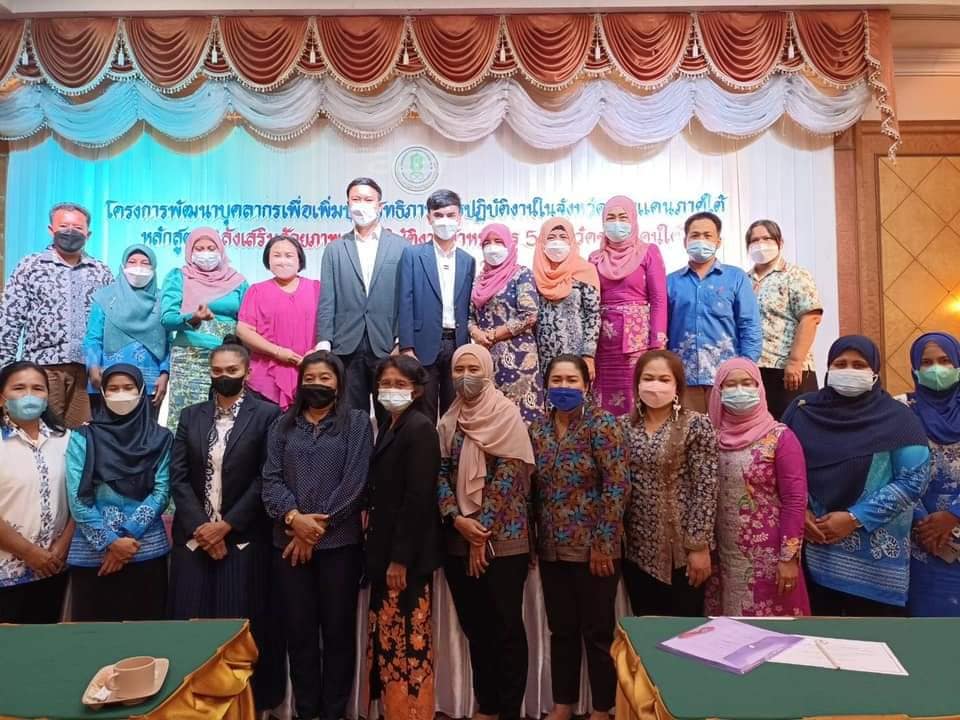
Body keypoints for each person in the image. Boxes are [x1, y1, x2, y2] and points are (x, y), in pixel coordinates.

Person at [168, 337, 285, 712]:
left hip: (244, 540)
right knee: (189, 628)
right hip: (194, 539)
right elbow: (178, 477)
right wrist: (203, 527)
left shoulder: (267, 415)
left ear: (247, 372)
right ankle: (187, 708)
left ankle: (244, 709)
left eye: (231, 370)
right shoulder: (191, 415)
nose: (224, 376)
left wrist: (227, 526)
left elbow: (266, 477)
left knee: (240, 631)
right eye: (217, 371)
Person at [783, 336, 929, 616]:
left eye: (859, 365)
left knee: (874, 639)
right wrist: (799, 511)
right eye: (840, 364)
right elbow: (780, 467)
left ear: (874, 371)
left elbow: (914, 480)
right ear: (828, 368)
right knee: (817, 638)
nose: (849, 370)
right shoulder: (803, 411)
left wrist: (854, 518)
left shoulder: (898, 418)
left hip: (874, 566)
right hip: (811, 552)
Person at [261, 351, 372, 720]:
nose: (317, 384)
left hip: (340, 546)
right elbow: (271, 480)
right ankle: (307, 711)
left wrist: (313, 531)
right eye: (310, 378)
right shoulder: (282, 425)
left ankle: (334, 711)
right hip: (288, 547)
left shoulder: (357, 423)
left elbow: (355, 484)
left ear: (338, 382)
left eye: (325, 378)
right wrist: (295, 520)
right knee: (300, 633)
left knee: (338, 634)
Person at [437, 344, 534, 720]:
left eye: (473, 368)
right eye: (458, 369)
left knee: (505, 625)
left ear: (488, 371)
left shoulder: (506, 414)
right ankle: (487, 705)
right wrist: (456, 518)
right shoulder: (450, 418)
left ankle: (509, 709)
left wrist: (481, 534)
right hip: (458, 537)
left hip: (504, 540)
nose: (465, 376)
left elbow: (509, 476)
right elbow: (440, 473)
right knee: (476, 627)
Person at [529, 354, 628, 720]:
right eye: (557, 380)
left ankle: (602, 708)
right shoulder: (538, 430)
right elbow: (532, 491)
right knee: (561, 631)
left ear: (587, 385)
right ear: (546, 384)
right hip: (552, 550)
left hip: (594, 551)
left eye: (572, 380)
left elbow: (617, 485)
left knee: (598, 632)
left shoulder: (603, 425)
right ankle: (562, 705)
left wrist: (604, 544)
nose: (564, 387)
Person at [365, 355, 442, 720]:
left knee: (409, 643)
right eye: (385, 384)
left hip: (406, 560)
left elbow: (418, 499)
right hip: (384, 552)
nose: (391, 391)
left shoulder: (420, 428)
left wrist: (400, 559)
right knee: (389, 639)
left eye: (400, 384)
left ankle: (413, 712)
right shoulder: (390, 424)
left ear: (417, 390)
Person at [65, 364, 173, 621]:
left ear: (142, 391)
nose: (121, 394)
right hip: (94, 556)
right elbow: (77, 497)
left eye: (128, 387)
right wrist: (110, 542)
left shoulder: (161, 438)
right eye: (113, 389)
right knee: (92, 635)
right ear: (102, 393)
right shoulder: (83, 436)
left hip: (145, 551)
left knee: (147, 634)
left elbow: (162, 491)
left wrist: (125, 538)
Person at [705, 358, 810, 616]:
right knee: (728, 632)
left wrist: (788, 558)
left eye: (747, 383)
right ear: (718, 391)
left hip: (769, 558)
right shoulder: (709, 437)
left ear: (759, 388)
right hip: (722, 557)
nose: (739, 390)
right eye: (730, 385)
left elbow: (795, 501)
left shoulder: (780, 437)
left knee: (773, 631)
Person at [619, 350, 718, 617]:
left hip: (682, 554)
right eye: (648, 378)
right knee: (646, 631)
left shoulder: (696, 425)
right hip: (636, 553)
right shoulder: (622, 427)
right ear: (637, 384)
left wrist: (698, 547)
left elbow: (705, 489)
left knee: (685, 632)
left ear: (677, 386)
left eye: (664, 379)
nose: (655, 386)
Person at [0, 203, 114, 427]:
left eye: (77, 228)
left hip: (87, 373)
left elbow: (111, 323)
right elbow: (9, 322)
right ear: (51, 229)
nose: (70, 231)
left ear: (88, 234)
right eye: (64, 226)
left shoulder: (101, 271)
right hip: (42, 370)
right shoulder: (30, 266)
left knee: (80, 437)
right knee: (40, 430)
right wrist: (5, 373)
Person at [317, 178, 408, 426]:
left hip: (387, 344)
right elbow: (327, 299)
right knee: (350, 419)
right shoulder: (335, 249)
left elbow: (406, 299)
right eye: (356, 199)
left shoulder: (401, 247)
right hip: (346, 344)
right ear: (347, 204)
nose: (362, 205)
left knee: (391, 417)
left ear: (380, 205)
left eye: (368, 199)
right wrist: (324, 341)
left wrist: (402, 340)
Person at [0, 362, 74, 623]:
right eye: (19, 388)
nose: (29, 395)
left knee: (43, 642)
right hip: (5, 573)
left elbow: (80, 497)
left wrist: (61, 547)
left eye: (38, 388)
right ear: (2, 397)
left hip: (53, 568)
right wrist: (29, 553)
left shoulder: (67, 440)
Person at [667, 212, 762, 413]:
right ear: (685, 241)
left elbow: (749, 325)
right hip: (683, 378)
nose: (701, 240)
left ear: (718, 241)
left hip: (727, 379)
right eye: (695, 235)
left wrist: (745, 369)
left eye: (707, 235)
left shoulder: (736, 278)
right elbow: (663, 330)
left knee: (726, 431)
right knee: (687, 431)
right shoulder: (670, 282)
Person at [398, 189, 476, 421]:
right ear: (429, 218)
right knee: (424, 412)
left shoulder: (468, 260)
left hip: (457, 344)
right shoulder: (412, 255)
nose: (445, 221)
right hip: (422, 345)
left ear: (460, 218)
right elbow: (405, 300)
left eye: (451, 215)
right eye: (438, 215)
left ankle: (449, 447)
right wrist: (406, 347)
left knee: (454, 411)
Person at [161, 227, 248, 433]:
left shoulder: (238, 281)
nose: (206, 253)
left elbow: (247, 320)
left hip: (228, 358)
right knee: (187, 418)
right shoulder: (178, 277)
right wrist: (194, 317)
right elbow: (167, 319)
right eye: (199, 249)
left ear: (221, 250)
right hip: (189, 357)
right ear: (190, 252)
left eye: (211, 248)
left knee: (227, 418)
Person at [588, 195, 667, 416]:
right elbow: (590, 302)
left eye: (623, 217)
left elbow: (659, 300)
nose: (617, 223)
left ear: (633, 219)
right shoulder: (594, 258)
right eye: (610, 217)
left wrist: (658, 345)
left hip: (638, 340)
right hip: (602, 342)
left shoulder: (648, 251)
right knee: (603, 400)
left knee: (635, 396)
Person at [904, 333, 960, 616]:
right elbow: (889, 472)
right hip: (919, 541)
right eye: (926, 363)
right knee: (928, 629)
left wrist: (954, 515)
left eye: (945, 360)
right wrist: (924, 524)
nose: (936, 369)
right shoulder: (900, 411)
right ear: (915, 368)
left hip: (954, 521)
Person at [746, 220, 823, 420]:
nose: (760, 244)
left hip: (788, 370)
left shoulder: (795, 275)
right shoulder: (743, 280)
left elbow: (810, 317)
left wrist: (795, 362)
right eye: (754, 240)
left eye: (766, 238)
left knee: (795, 426)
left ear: (779, 242)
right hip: (754, 370)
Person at [468, 223, 543, 423]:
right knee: (491, 418)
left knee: (521, 418)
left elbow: (529, 314)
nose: (492, 247)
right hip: (486, 357)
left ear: (509, 244)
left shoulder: (521, 274)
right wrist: (475, 332)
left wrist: (494, 334)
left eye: (498, 241)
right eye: (487, 243)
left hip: (518, 357)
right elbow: (469, 317)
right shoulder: (478, 280)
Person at [237, 235, 321, 409]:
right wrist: (277, 352)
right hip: (265, 377)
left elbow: (330, 325)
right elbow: (244, 331)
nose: (283, 261)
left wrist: (316, 352)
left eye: (289, 255)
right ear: (268, 260)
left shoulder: (317, 288)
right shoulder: (256, 291)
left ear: (300, 259)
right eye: (276, 255)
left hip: (310, 372)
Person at [84, 244, 170, 413]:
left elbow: (168, 341)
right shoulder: (105, 298)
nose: (138, 267)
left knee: (145, 428)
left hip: (149, 380)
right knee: (106, 428)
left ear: (154, 268)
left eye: (145, 263)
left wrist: (165, 373)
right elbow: (93, 337)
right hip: (107, 379)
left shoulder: (162, 300)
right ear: (123, 265)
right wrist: (92, 366)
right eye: (132, 262)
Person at [532, 217, 601, 382]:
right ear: (542, 243)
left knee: (575, 393)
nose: (557, 242)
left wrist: (588, 355)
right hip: (543, 355)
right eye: (551, 237)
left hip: (576, 353)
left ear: (572, 241)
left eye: (563, 237)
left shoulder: (585, 270)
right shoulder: (535, 273)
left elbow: (593, 316)